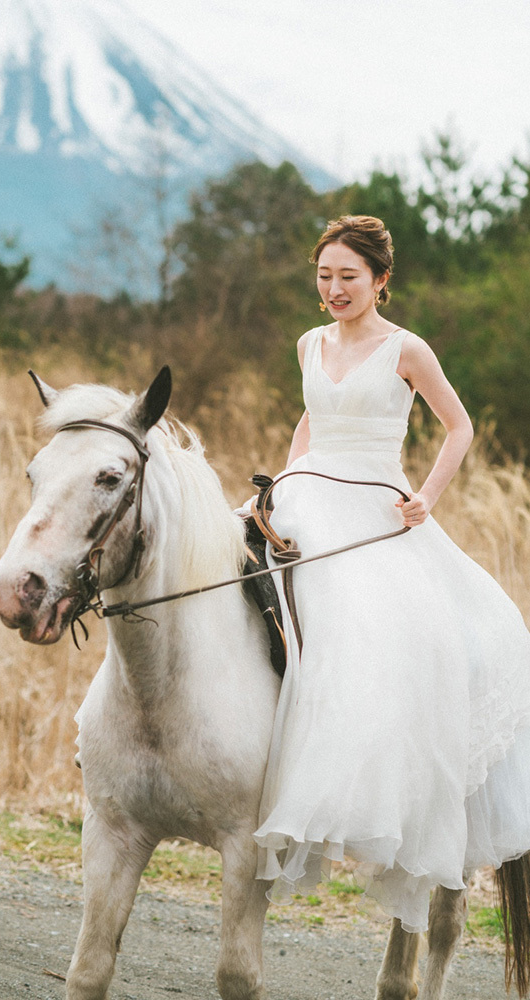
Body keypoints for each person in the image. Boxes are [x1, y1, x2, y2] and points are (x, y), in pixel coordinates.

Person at [253, 214, 530, 933]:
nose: (335, 288)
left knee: (369, 623)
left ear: (379, 280)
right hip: (309, 488)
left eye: (349, 276)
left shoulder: (405, 349)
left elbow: (459, 425)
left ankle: (367, 789)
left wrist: (424, 498)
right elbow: (310, 422)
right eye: (324, 276)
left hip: (376, 501)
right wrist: (282, 483)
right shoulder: (308, 343)